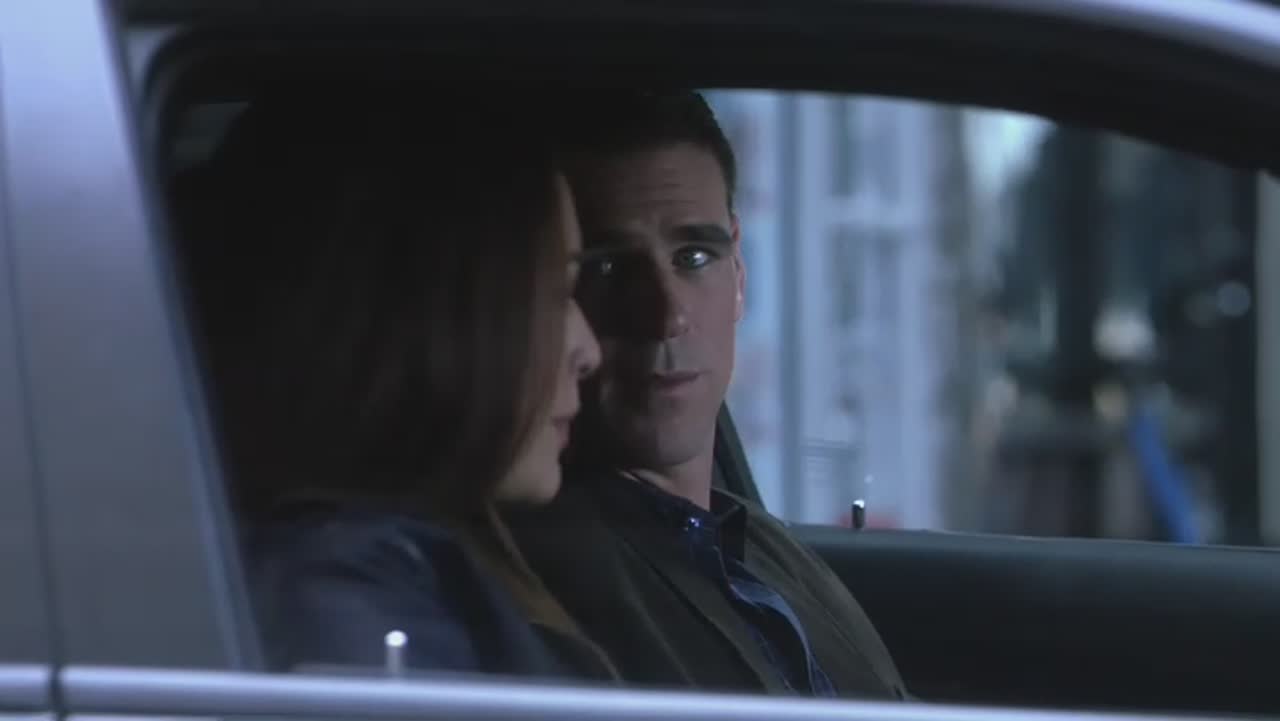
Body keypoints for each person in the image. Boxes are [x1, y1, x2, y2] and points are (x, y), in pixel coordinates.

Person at [176, 86, 610, 680]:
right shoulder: (343, 591)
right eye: (557, 293)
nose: (589, 351)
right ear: (430, 316)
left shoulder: (400, 567)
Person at [506, 90, 908, 698]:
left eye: (694, 257)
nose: (666, 316)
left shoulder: (764, 546)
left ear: (739, 274)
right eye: (610, 269)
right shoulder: (549, 580)